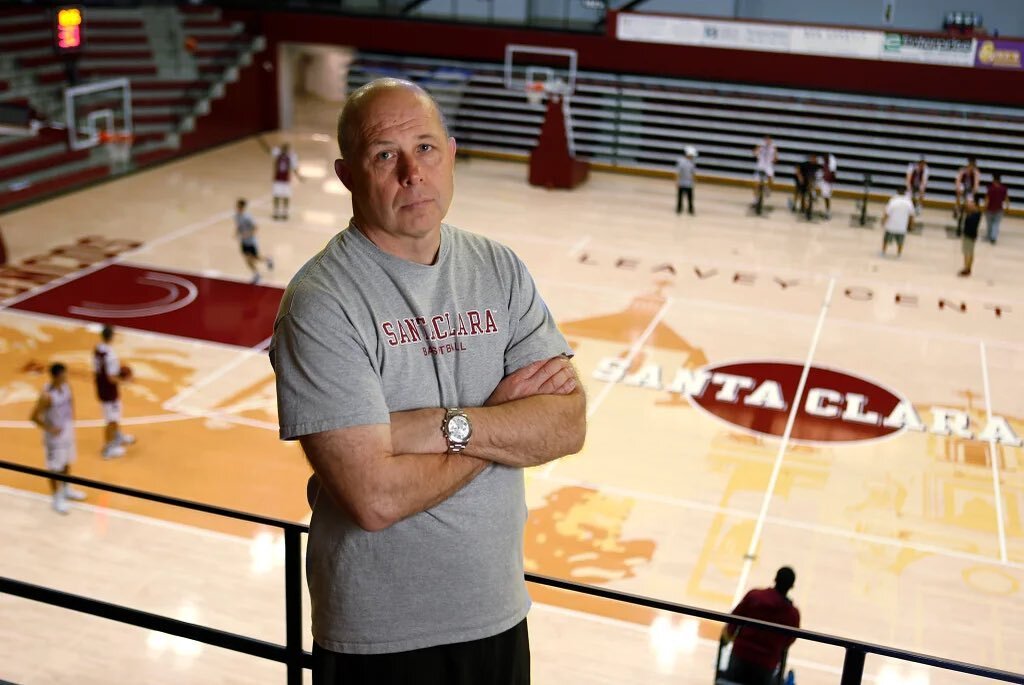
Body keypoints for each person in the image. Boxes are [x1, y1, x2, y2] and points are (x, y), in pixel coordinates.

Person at [270, 78, 587, 685]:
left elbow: (567, 423)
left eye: (426, 148)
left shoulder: (498, 268)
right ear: (346, 175)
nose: (413, 173)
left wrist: (439, 428)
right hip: (380, 636)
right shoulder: (322, 303)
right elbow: (375, 498)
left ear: (453, 153)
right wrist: (498, 420)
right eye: (385, 155)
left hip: (498, 614)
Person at [724, 567, 801, 685]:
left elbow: (733, 620)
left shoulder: (754, 596)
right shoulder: (792, 614)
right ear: (791, 586)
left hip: (740, 654)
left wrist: (728, 638)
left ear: (775, 579)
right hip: (767, 663)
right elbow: (789, 640)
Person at [30, 363, 87, 514]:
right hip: (54, 439)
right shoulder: (47, 395)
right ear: (55, 376)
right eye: (63, 375)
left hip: (67, 432)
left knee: (67, 463)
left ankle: (67, 489)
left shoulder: (67, 387)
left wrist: (72, 419)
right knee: (54, 469)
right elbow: (33, 417)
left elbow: (71, 402)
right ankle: (56, 498)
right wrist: (50, 428)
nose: (66, 377)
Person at [94, 325, 135, 459]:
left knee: (115, 417)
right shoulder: (111, 356)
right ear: (111, 336)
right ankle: (108, 449)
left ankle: (118, 438)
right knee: (111, 420)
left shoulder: (98, 349)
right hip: (109, 391)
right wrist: (126, 381)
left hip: (101, 387)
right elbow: (112, 378)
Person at [235, 198, 274, 283]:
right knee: (251, 258)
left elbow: (256, 227)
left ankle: (257, 274)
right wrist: (236, 232)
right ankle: (267, 260)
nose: (236, 207)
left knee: (251, 259)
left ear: (242, 207)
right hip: (244, 242)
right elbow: (239, 226)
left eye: (238, 206)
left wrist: (248, 234)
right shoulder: (237, 216)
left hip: (251, 242)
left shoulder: (247, 217)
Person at [881, 188, 915, 258]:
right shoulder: (909, 202)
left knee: (886, 240)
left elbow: (887, 213)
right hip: (902, 226)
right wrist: (911, 225)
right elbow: (911, 215)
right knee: (900, 242)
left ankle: (883, 252)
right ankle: (899, 254)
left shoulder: (893, 201)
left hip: (891, 225)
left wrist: (883, 221)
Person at [271, 142, 299, 220]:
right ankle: (276, 212)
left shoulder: (290, 157)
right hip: (277, 180)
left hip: (286, 181)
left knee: (286, 197)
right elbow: (272, 150)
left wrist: (298, 176)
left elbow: (294, 167)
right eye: (283, 148)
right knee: (276, 196)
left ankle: (285, 212)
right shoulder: (277, 155)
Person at [959, 196, 982, 277]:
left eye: (970, 202)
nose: (968, 204)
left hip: (969, 235)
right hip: (972, 235)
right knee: (970, 252)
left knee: (967, 252)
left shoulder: (975, 213)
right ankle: (968, 268)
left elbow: (970, 224)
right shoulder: (976, 212)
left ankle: (966, 268)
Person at [984, 172, 1009, 244]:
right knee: (996, 224)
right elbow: (1007, 198)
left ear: (994, 180)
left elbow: (987, 199)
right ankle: (993, 237)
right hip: (999, 209)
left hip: (989, 209)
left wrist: (984, 207)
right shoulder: (1004, 188)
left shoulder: (990, 188)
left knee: (989, 224)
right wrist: (1007, 207)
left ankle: (989, 236)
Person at [954, 156, 981, 222]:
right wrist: (958, 188)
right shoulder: (962, 170)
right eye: (970, 165)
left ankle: (968, 215)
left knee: (970, 203)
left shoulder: (976, 172)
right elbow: (957, 180)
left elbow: (976, 184)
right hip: (962, 187)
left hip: (970, 190)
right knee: (960, 189)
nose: (971, 167)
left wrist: (974, 191)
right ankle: (957, 206)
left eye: (972, 165)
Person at [752, 135, 778, 200]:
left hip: (768, 166)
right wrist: (756, 152)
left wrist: (775, 159)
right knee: (756, 184)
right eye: (766, 140)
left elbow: (776, 157)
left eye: (769, 140)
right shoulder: (760, 146)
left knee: (770, 178)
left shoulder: (773, 147)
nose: (767, 141)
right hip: (760, 165)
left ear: (771, 141)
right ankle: (755, 199)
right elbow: (755, 153)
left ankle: (768, 189)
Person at [675, 145, 697, 215]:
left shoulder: (692, 163)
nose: (692, 157)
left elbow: (693, 173)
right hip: (682, 182)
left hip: (689, 183)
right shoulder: (681, 162)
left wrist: (694, 181)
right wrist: (677, 181)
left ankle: (690, 209)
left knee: (690, 197)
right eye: (691, 155)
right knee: (680, 197)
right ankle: (679, 208)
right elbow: (678, 173)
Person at [817, 152, 837, 220]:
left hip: (827, 183)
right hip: (823, 181)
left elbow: (832, 175)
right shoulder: (825, 164)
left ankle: (827, 211)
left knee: (826, 197)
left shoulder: (831, 166)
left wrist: (828, 179)